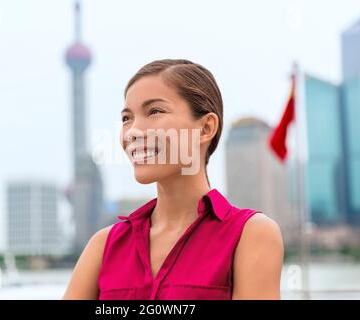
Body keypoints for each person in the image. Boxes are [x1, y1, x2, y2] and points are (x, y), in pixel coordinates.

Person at [63, 59, 284, 300]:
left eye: (155, 111)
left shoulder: (251, 234)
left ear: (206, 128)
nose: (133, 131)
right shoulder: (104, 246)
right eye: (127, 118)